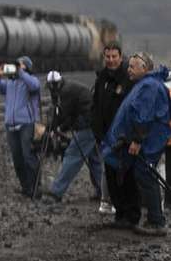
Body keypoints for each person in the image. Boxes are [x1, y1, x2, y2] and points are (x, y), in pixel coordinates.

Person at [102, 52, 170, 236]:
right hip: (144, 138)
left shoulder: (149, 86)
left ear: (145, 68)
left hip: (148, 140)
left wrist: (137, 140)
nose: (128, 69)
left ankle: (157, 221)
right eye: (129, 66)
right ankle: (147, 218)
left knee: (145, 174)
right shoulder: (144, 84)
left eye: (133, 66)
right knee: (141, 174)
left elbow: (143, 114)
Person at [41, 70, 103, 203]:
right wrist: (53, 126)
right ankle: (103, 192)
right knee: (94, 159)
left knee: (72, 155)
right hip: (93, 123)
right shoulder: (63, 88)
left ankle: (56, 192)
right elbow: (60, 113)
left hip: (88, 125)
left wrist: (58, 128)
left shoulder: (66, 92)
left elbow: (66, 115)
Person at [0, 56, 41, 197]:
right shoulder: (10, 84)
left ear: (27, 67)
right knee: (17, 159)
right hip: (10, 126)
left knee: (28, 157)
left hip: (26, 124)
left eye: (21, 65)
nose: (17, 67)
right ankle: (26, 188)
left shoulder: (30, 81)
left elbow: (35, 86)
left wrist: (21, 73)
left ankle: (36, 188)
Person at [92, 42, 133, 218]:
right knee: (110, 176)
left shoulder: (128, 78)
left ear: (120, 57)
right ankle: (119, 214)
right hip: (106, 137)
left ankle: (131, 215)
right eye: (107, 57)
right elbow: (95, 106)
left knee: (127, 177)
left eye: (114, 56)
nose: (110, 60)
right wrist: (97, 132)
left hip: (123, 137)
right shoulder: (101, 78)